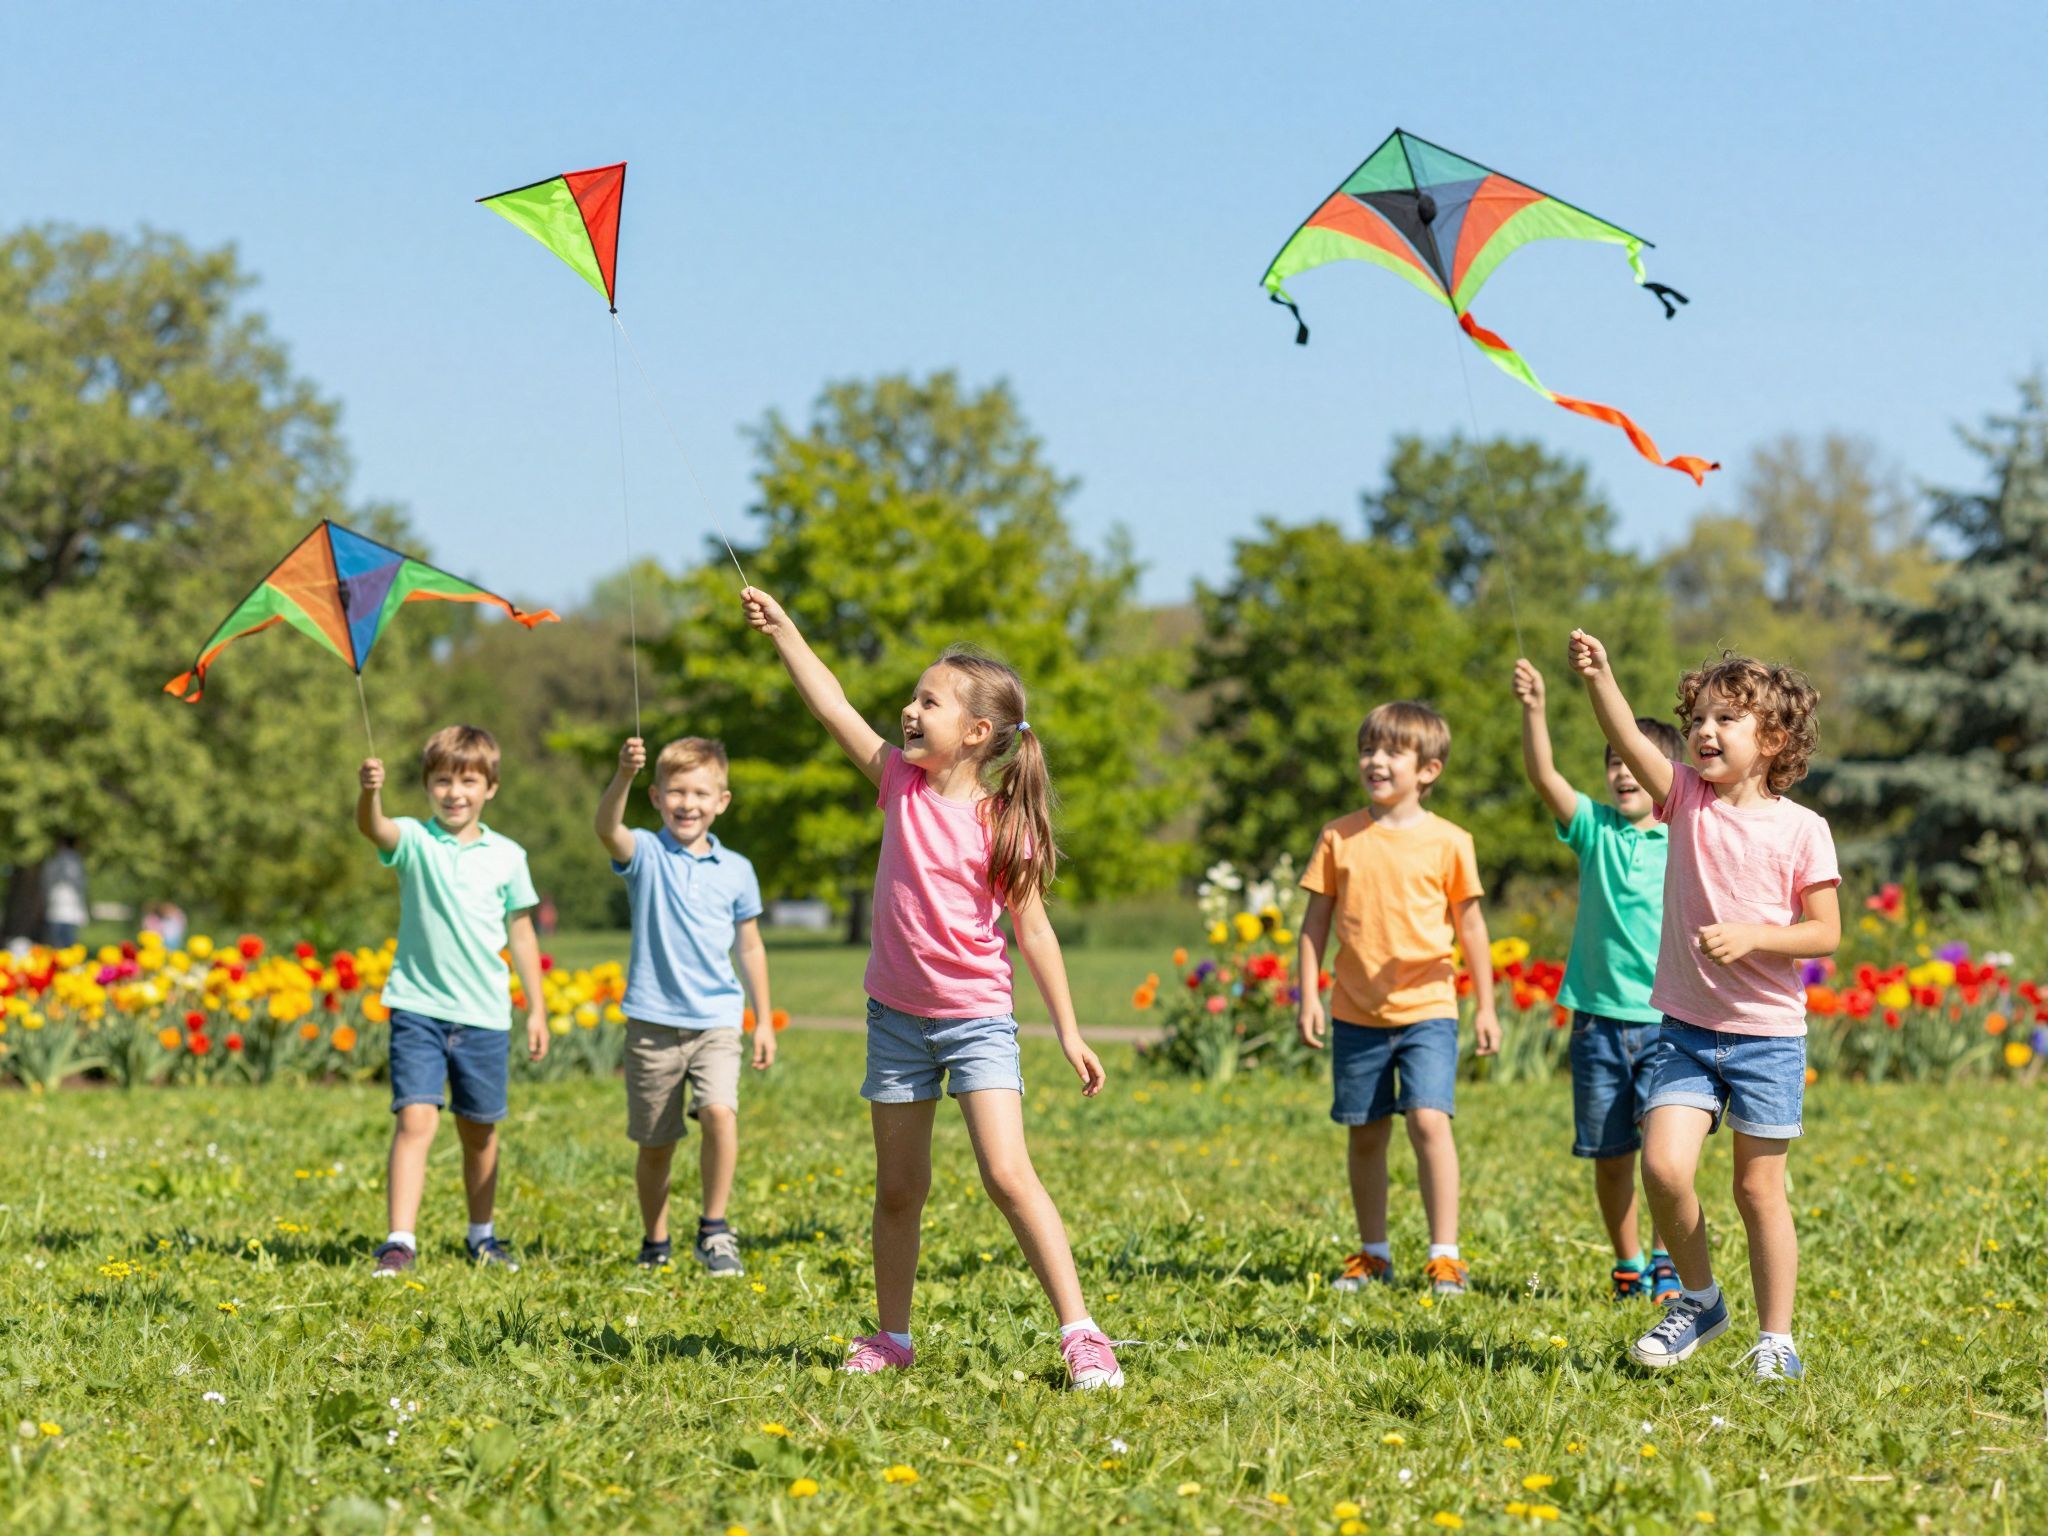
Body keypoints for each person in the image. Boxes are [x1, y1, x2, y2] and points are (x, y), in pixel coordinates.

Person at [742, 585, 1123, 1390]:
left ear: (977, 734)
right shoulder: (897, 784)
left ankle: (1083, 1334)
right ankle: (893, 1335)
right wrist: (785, 633)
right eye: (912, 699)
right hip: (895, 1022)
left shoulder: (1001, 823)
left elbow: (1036, 932)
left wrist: (1070, 1030)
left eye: (929, 702)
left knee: (1009, 1176)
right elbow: (833, 706)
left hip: (978, 1019)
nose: (909, 712)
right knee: (898, 1190)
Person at [1569, 631, 1839, 1383]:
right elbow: (1623, 733)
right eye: (1698, 720)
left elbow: (1827, 932)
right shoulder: (1684, 797)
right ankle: (1699, 1300)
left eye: (1727, 720)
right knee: (1662, 1166)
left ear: (1774, 738)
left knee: (1759, 1190)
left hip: (1767, 1039)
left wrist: (1755, 936)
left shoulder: (1803, 830)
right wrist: (1602, 676)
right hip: (1685, 1032)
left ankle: (1776, 1337)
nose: (1705, 732)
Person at [1296, 701, 1500, 1298]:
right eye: (1368, 749)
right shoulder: (1338, 837)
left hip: (1429, 1009)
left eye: (1392, 752)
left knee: (1429, 1119)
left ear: (1428, 769)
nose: (1375, 761)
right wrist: (1308, 994)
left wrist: (1486, 1006)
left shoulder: (1451, 842)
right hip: (1355, 1012)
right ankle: (1374, 1253)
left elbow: (1474, 931)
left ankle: (1445, 1256)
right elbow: (1314, 925)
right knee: (1365, 1132)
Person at [1514, 657, 1688, 1304]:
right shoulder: (1594, 830)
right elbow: (1542, 774)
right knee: (1611, 1155)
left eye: (1631, 759)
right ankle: (1629, 1262)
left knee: (1665, 1158)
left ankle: (1670, 1264)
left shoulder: (1687, 837)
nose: (1620, 770)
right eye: (1611, 759)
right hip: (1597, 1021)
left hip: (1670, 1023)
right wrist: (1535, 710)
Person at [356, 725, 549, 1277]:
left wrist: (535, 1007)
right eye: (442, 780)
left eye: (468, 780)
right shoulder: (414, 840)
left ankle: (481, 1235)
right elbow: (375, 829)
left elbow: (523, 932)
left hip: (484, 1014)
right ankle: (400, 1240)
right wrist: (370, 792)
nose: (454, 792)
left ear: (491, 787)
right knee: (416, 1120)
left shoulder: (509, 856)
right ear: (427, 786)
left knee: (479, 1130)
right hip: (417, 1006)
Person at [595, 734, 775, 1277]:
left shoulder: (737, 868)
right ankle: (656, 1240)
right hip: (652, 1024)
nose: (687, 803)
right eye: (676, 791)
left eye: (700, 793)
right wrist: (623, 774)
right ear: (656, 797)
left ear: (722, 801)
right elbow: (606, 828)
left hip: (717, 1020)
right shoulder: (646, 853)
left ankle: (714, 1229)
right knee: (657, 1144)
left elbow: (750, 944)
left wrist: (763, 1019)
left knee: (720, 1112)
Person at [41, 837, 88, 949]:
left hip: (58, 907)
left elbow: (46, 881)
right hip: (70, 909)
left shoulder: (56, 861)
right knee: (68, 942)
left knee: (59, 943)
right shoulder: (77, 861)